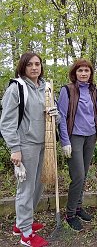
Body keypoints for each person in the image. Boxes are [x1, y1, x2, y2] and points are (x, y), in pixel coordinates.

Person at [0, 52, 54, 247]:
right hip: (25, 145)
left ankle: (22, 223)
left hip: (43, 143)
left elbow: (45, 112)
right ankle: (26, 235)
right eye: (29, 64)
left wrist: (52, 112)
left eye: (37, 64)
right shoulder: (16, 88)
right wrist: (15, 148)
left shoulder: (45, 87)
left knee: (38, 185)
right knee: (26, 188)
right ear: (23, 67)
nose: (34, 67)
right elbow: (6, 122)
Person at [58, 58, 97, 232]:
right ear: (74, 73)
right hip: (74, 137)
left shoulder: (93, 90)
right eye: (80, 71)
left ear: (90, 73)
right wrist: (65, 141)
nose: (84, 73)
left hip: (90, 136)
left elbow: (94, 114)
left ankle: (78, 207)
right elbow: (61, 117)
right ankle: (70, 214)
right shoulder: (67, 90)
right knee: (77, 176)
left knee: (83, 175)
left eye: (87, 71)